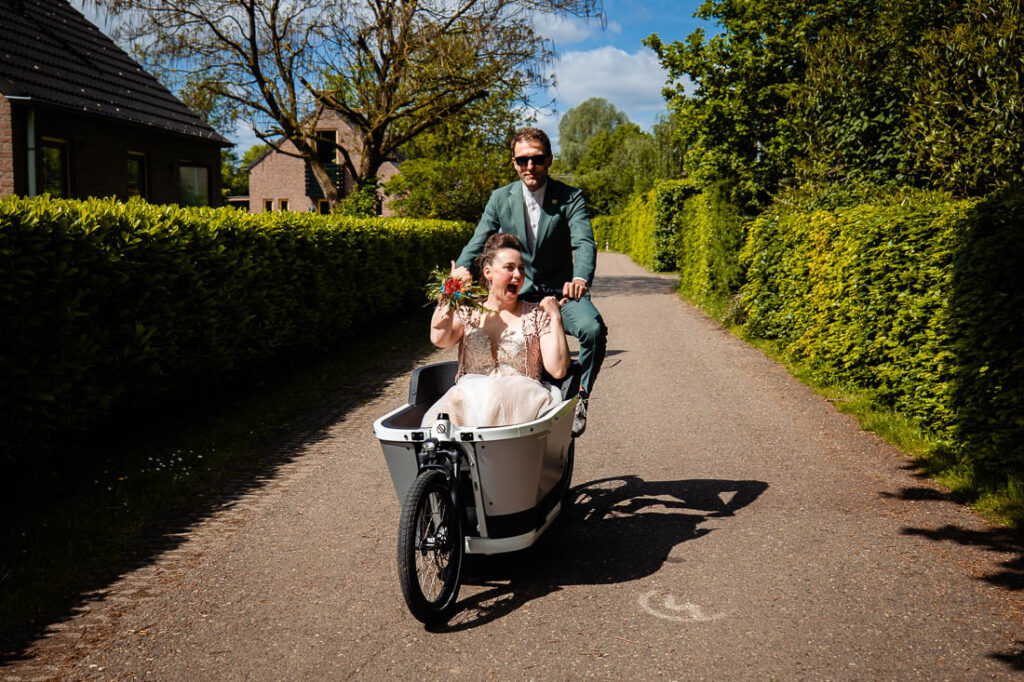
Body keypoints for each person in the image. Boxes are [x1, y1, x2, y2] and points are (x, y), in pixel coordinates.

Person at [452, 127, 607, 436]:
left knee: (592, 329)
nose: (529, 167)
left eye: (536, 159)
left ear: (548, 159)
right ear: (514, 163)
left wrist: (579, 278)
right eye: (522, 161)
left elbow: (583, 242)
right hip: (517, 293)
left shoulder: (570, 197)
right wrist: (461, 269)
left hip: (559, 294)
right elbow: (479, 238)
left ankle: (581, 398)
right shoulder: (500, 198)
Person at [423, 233, 571, 428]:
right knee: (447, 411)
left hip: (522, 407)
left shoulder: (535, 315)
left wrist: (556, 317)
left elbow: (558, 369)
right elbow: (438, 338)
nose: (518, 275)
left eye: (521, 269)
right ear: (488, 272)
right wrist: (451, 289)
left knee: (500, 393)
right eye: (509, 268)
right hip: (469, 408)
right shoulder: (469, 313)